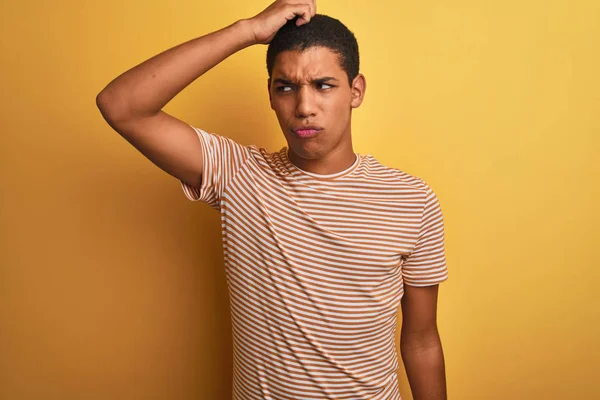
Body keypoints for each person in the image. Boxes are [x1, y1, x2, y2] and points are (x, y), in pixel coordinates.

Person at [96, 1, 449, 399]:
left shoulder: (410, 199)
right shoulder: (238, 174)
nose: (304, 107)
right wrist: (246, 31)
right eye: (286, 87)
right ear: (270, 94)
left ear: (356, 90)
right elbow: (122, 106)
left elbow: (421, 340)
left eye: (323, 85)